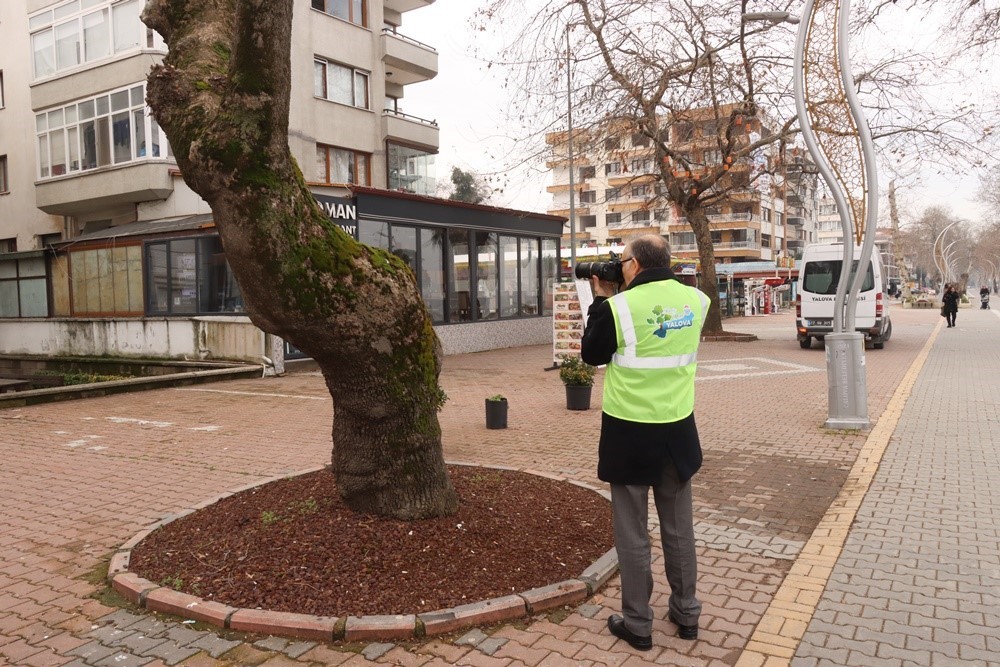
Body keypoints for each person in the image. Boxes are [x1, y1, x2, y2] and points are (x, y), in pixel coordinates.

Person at [580, 235, 710, 651]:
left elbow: (590, 354)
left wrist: (601, 298)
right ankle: (686, 613)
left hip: (629, 434)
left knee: (633, 534)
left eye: (621, 263)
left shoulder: (618, 308)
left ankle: (638, 624)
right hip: (678, 431)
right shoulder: (697, 301)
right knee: (678, 529)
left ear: (634, 265)